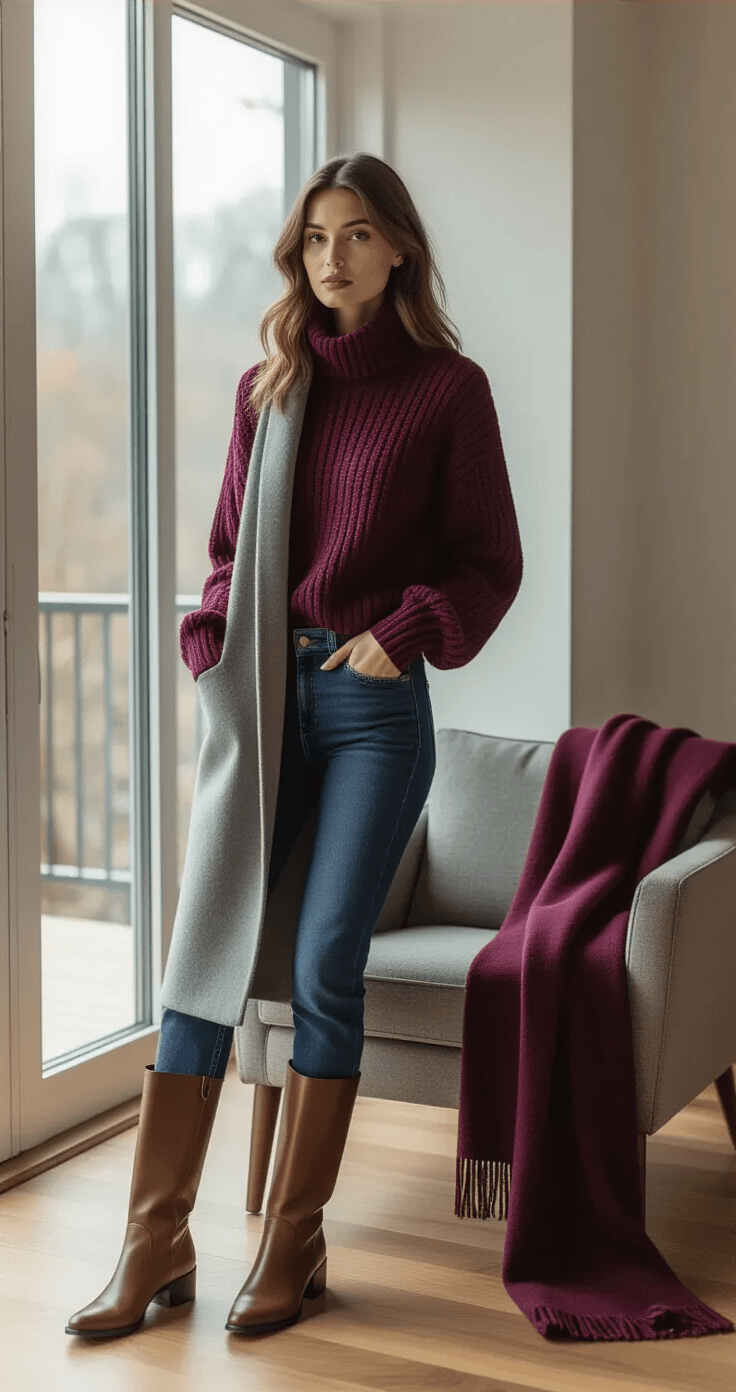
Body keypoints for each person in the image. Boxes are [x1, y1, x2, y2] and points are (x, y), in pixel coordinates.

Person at [66, 151, 523, 1340]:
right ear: (298, 253)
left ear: (399, 249)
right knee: (199, 963)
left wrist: (405, 633)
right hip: (262, 702)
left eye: (357, 235)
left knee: (324, 965)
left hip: (372, 712)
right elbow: (226, 552)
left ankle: (292, 1238)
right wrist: (210, 642)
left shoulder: (447, 392)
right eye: (315, 238)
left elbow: (488, 562)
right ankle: (154, 1243)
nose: (333, 258)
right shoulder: (268, 386)